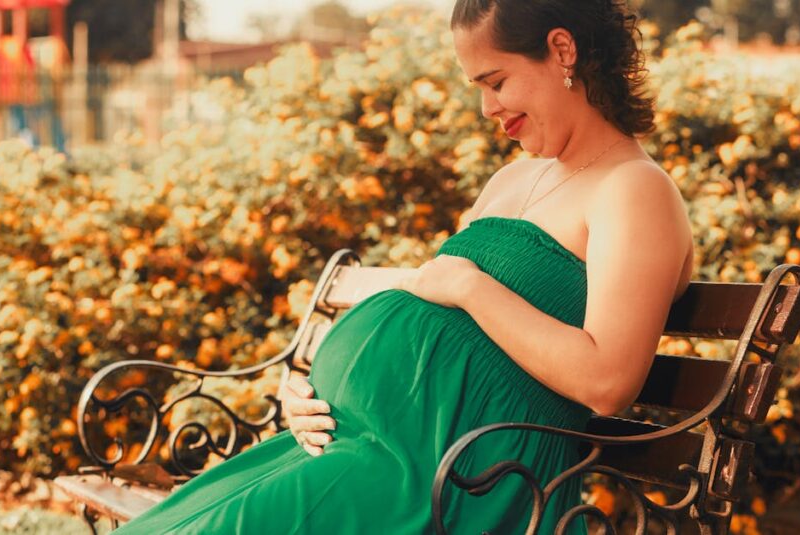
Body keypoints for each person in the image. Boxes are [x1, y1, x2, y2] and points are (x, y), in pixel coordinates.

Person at [114, 0, 693, 533]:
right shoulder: (516, 179)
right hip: (365, 445)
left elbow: (608, 381)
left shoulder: (634, 189)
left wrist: (470, 285)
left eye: (496, 82)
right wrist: (311, 392)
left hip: (456, 477)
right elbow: (434, 308)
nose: (488, 109)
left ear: (562, 51)